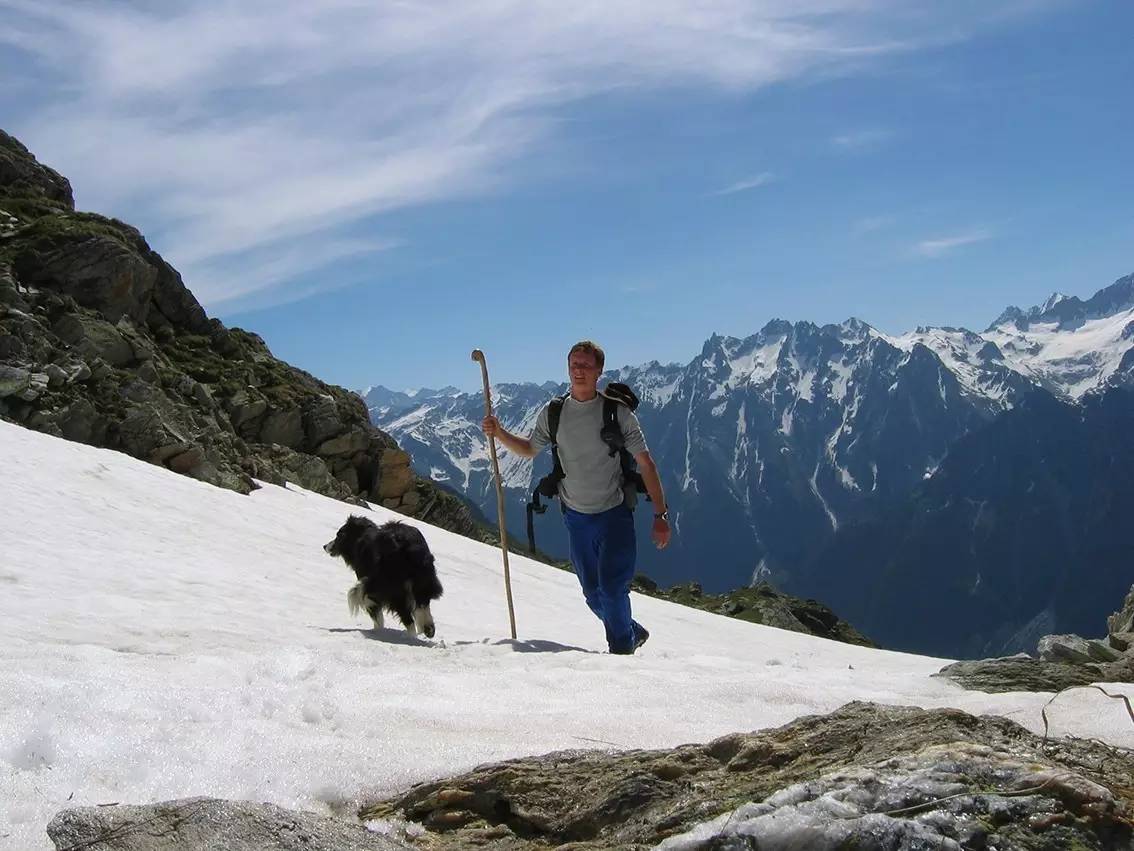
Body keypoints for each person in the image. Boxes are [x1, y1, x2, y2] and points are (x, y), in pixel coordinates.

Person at [482, 340, 671, 654]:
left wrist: (660, 515)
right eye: (574, 365)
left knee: (612, 591)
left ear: (599, 371)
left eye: (585, 365)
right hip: (576, 517)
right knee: (593, 594)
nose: (578, 371)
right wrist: (499, 433)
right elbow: (529, 449)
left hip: (614, 515)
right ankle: (630, 631)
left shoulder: (617, 413)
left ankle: (621, 654)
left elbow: (646, 464)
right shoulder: (554, 413)